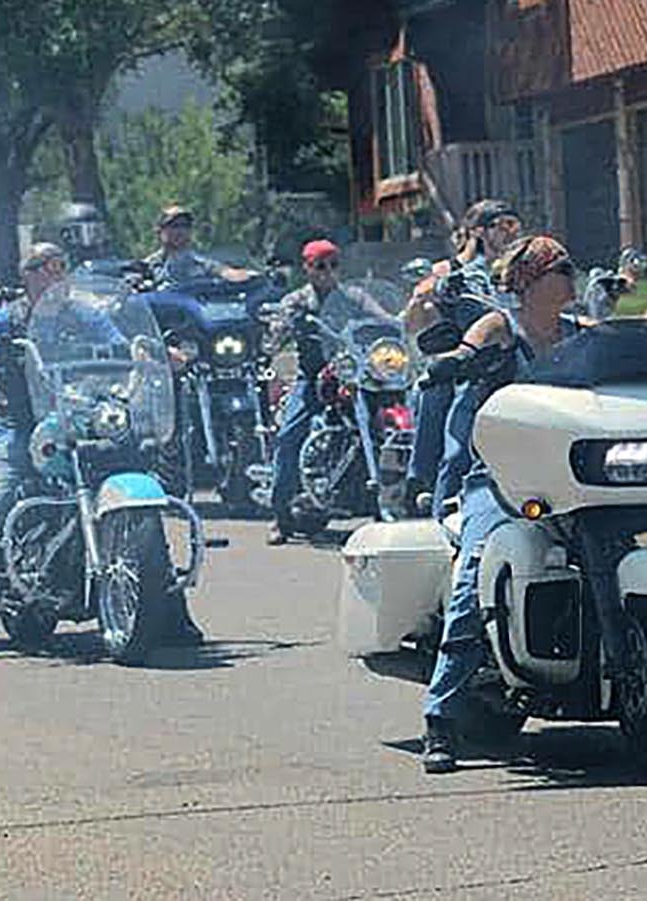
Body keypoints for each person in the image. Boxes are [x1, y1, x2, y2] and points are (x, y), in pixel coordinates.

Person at [0, 243, 206, 661]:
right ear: (28, 274)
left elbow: (120, 342)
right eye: (46, 267)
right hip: (22, 424)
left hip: (82, 413)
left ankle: (171, 614)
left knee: (137, 490)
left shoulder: (82, 314)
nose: (56, 274)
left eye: (61, 266)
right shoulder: (8, 317)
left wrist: (153, 353)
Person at [419, 234, 577, 774]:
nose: (573, 277)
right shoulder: (501, 329)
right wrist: (453, 362)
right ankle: (440, 717)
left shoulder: (583, 335)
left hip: (579, 481)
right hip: (505, 479)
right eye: (562, 268)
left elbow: (631, 355)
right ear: (529, 282)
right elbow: (466, 349)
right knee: (473, 574)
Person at [264, 238, 393, 545]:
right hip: (314, 378)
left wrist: (399, 324)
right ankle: (280, 515)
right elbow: (275, 334)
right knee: (289, 435)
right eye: (320, 266)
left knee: (382, 428)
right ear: (307, 269)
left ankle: (387, 503)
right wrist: (282, 327)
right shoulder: (296, 301)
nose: (328, 272)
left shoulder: (352, 296)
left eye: (333, 265)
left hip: (354, 375)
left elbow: (381, 317)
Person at [402, 199, 522, 518]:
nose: (511, 233)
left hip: (516, 364)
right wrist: (431, 290)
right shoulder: (451, 270)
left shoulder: (516, 268)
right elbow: (414, 316)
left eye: (515, 225)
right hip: (468, 370)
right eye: (503, 225)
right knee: (457, 455)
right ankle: (435, 506)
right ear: (479, 232)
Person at [142, 205, 252, 288]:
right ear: (160, 231)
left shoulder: (200, 263)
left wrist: (248, 275)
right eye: (174, 226)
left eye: (185, 226)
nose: (180, 231)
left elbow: (225, 272)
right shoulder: (148, 266)